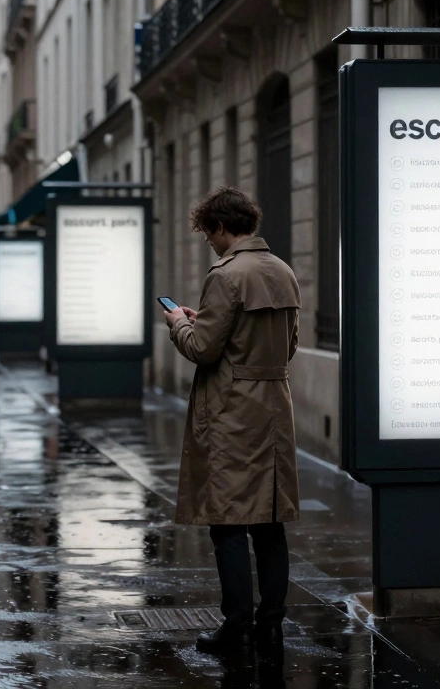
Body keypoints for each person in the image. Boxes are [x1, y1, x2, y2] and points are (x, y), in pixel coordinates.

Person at [161, 186, 301, 655]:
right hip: (274, 405)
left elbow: (202, 349)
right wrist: (211, 324)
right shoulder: (282, 270)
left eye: (208, 233)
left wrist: (179, 323)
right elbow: (289, 343)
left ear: (221, 226)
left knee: (228, 523)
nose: (209, 242)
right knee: (269, 522)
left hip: (231, 410)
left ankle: (237, 624)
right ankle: (272, 625)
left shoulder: (225, 275)